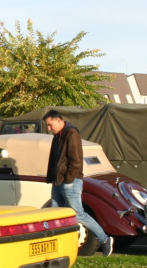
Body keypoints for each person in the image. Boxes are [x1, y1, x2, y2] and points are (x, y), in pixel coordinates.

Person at [44, 110, 113, 256]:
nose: (49, 129)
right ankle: (57, 248)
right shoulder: (58, 136)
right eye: (47, 126)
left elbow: (76, 160)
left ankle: (104, 239)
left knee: (78, 214)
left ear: (59, 120)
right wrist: (52, 177)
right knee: (55, 214)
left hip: (70, 181)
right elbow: (54, 159)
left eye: (50, 125)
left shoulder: (71, 134)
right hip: (58, 181)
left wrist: (69, 179)